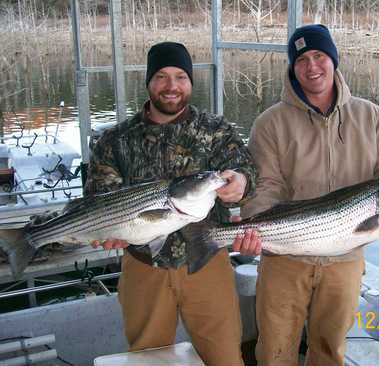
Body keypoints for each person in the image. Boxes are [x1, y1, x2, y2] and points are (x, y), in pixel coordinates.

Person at [232, 24, 379, 366]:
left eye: (319, 56)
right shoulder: (269, 123)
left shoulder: (372, 116)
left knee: (331, 350)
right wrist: (253, 227)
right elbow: (265, 185)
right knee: (274, 350)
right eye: (302, 59)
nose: (312, 66)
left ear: (334, 60)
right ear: (293, 68)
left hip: (346, 261)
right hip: (284, 259)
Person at [86, 41, 257, 366]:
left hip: (208, 263)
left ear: (191, 82)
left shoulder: (215, 130)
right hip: (142, 266)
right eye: (162, 77)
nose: (171, 86)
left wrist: (241, 183)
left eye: (180, 76)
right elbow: (99, 196)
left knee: (225, 356)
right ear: (149, 82)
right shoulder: (116, 140)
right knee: (148, 358)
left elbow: (246, 170)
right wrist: (109, 228)